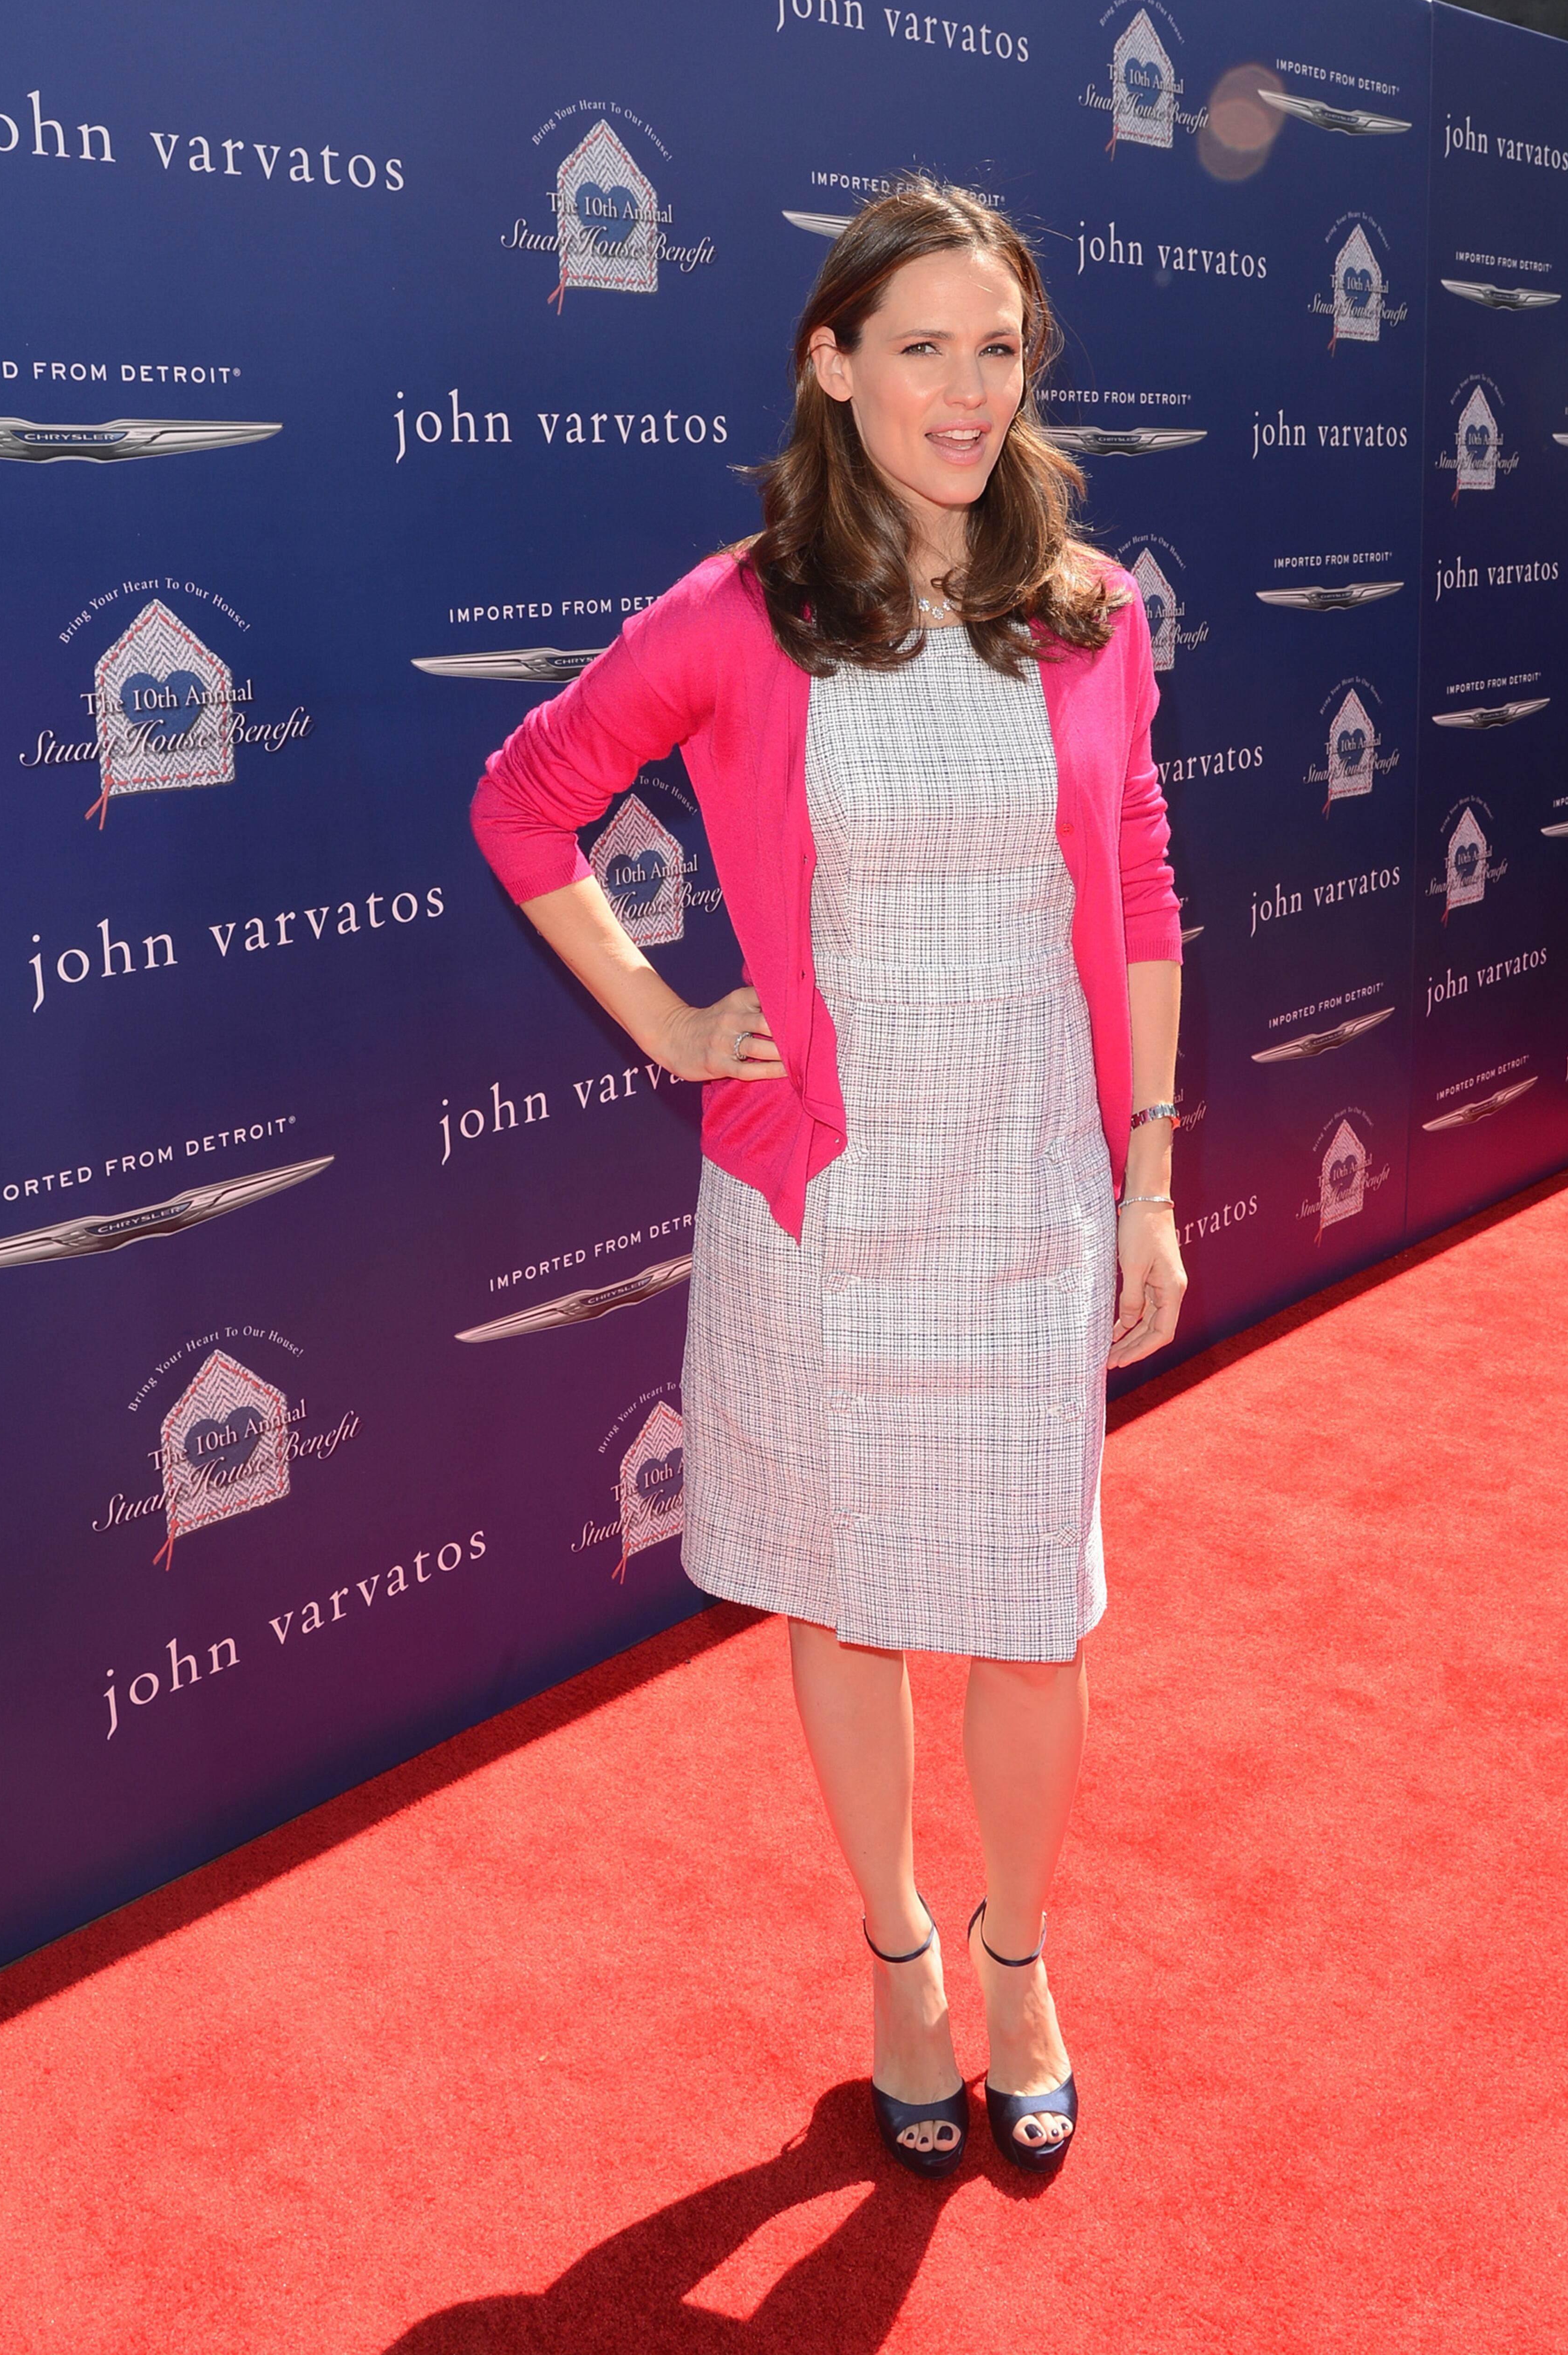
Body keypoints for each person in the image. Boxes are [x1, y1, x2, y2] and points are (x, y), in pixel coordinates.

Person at [470, 181, 1187, 2178]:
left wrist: (1145, 1172)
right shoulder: (740, 610)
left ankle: (1020, 1956)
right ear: (832, 362)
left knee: (1034, 1612)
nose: (970, 390)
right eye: (924, 346)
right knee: (854, 1602)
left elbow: (1132, 883)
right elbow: (526, 795)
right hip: (828, 1201)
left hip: (1036, 1171)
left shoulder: (1090, 603)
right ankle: (898, 1958)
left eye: (1000, 346)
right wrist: (670, 1019)